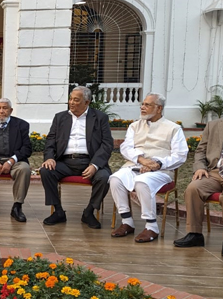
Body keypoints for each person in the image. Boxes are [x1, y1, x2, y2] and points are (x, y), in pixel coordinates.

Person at [109, 93, 187, 243]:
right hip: (135, 166)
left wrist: (158, 163)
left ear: (159, 108)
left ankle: (151, 226)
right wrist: (141, 160)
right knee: (115, 179)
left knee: (142, 182)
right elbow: (125, 148)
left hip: (161, 171)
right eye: (142, 104)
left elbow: (180, 155)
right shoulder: (134, 126)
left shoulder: (173, 128)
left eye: (147, 105)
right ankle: (127, 222)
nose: (142, 107)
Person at [40, 86, 114, 229]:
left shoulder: (99, 118)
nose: (71, 102)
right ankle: (58, 211)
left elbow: (107, 144)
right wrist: (49, 158)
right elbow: (50, 140)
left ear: (87, 102)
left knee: (104, 177)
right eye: (70, 99)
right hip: (65, 162)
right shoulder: (60, 117)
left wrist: (95, 165)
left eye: (76, 100)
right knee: (46, 171)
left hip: (90, 161)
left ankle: (89, 212)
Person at [175, 118, 223, 253]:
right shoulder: (213, 125)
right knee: (193, 189)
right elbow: (201, 150)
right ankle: (195, 234)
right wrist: (200, 168)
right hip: (214, 172)